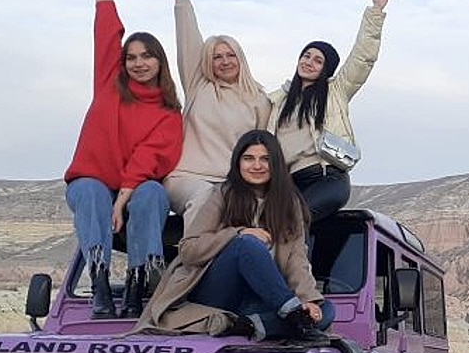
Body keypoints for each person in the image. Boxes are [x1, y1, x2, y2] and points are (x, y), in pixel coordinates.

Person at [64, 0, 184, 319]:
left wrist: (122, 202)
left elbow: (149, 159)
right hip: (93, 182)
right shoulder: (109, 84)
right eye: (131, 57)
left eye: (146, 56)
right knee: (89, 191)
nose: (138, 63)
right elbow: (106, 28)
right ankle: (99, 284)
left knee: (151, 193)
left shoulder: (169, 112)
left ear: (159, 61)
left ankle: (137, 283)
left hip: (135, 188)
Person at [136, 130, 334, 339]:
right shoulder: (222, 195)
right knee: (246, 244)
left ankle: (247, 326)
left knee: (326, 311)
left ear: (276, 164)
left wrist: (308, 300)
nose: (257, 166)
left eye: (265, 159)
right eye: (248, 158)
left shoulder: (289, 204)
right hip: (217, 293)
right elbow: (189, 250)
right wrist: (236, 233)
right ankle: (293, 317)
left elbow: (297, 259)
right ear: (238, 162)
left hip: (262, 299)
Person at [269, 0, 390, 281]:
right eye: (306, 56)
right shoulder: (277, 101)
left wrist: (375, 12)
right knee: (266, 223)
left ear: (327, 69)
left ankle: (296, 284)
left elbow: (362, 58)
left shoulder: (336, 92)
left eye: (317, 60)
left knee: (293, 220)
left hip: (327, 178)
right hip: (288, 183)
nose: (309, 62)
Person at [163, 0, 271, 228]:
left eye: (230, 55)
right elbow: (187, 33)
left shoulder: (259, 100)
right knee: (207, 200)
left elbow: (265, 148)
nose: (224, 61)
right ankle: (193, 254)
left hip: (233, 182)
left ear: (240, 58)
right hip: (188, 178)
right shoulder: (199, 84)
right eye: (217, 57)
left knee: (257, 216)